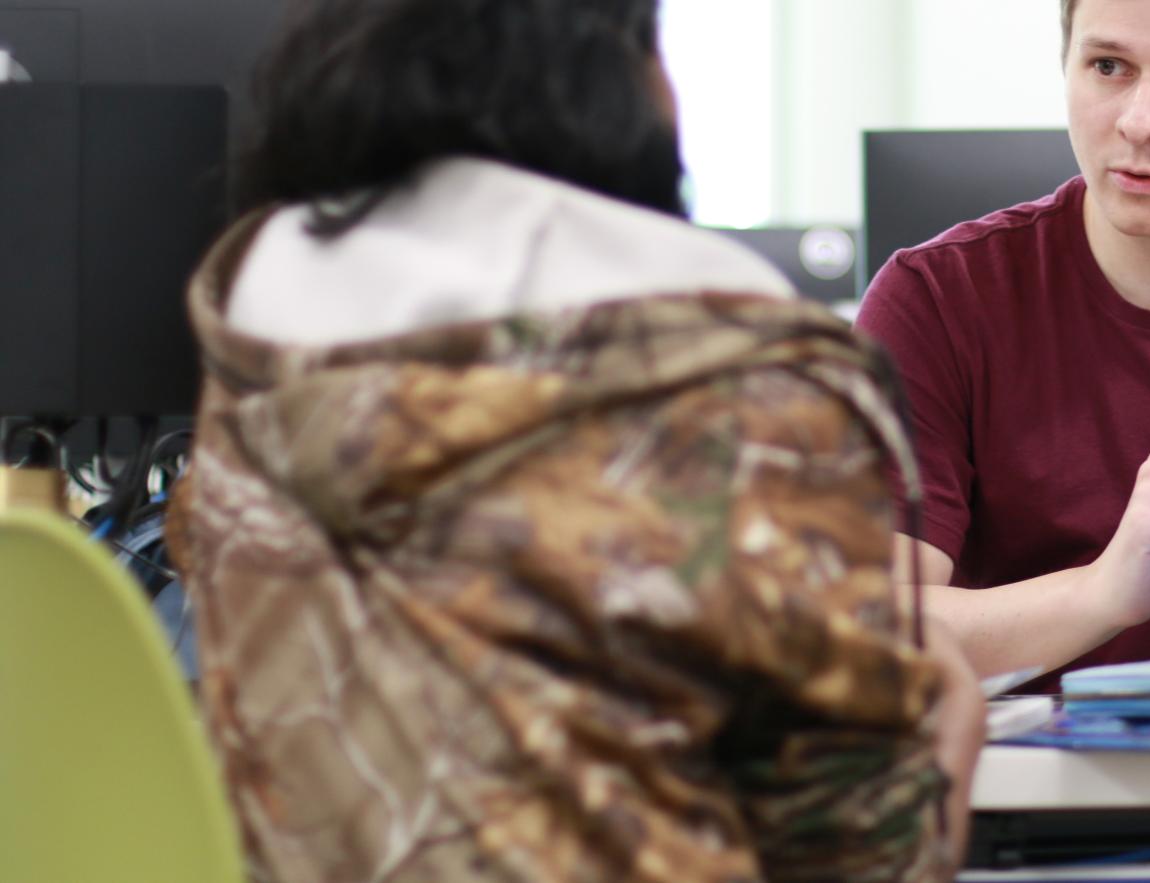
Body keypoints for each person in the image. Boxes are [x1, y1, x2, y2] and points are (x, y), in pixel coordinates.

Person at [163, 1, 983, 880]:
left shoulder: (258, 312)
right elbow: (853, 854)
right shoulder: (734, 362)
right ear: (625, 77)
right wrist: (944, 736)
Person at [855, 0, 1150, 690]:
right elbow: (864, 636)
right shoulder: (936, 300)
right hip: (1033, 790)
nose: (1139, 123)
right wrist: (1107, 590)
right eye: (1108, 66)